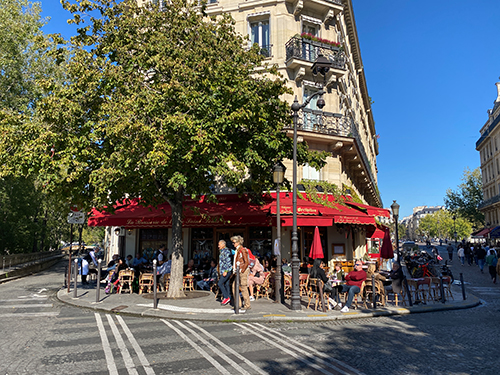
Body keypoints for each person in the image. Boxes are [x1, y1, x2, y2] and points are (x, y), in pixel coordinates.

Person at [231, 235, 251, 311]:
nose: (233, 244)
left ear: (238, 242)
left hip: (242, 271)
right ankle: (238, 304)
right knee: (234, 286)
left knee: (243, 287)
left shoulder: (242, 250)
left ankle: (247, 304)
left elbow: (246, 262)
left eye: (234, 242)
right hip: (238, 271)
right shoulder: (237, 250)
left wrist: (241, 270)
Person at [217, 240, 233, 306]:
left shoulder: (226, 251)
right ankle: (229, 297)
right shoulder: (222, 251)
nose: (218, 246)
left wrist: (226, 271)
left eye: (219, 244)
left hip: (226, 271)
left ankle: (226, 297)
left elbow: (228, 262)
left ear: (223, 244)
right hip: (223, 270)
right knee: (226, 284)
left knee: (220, 283)